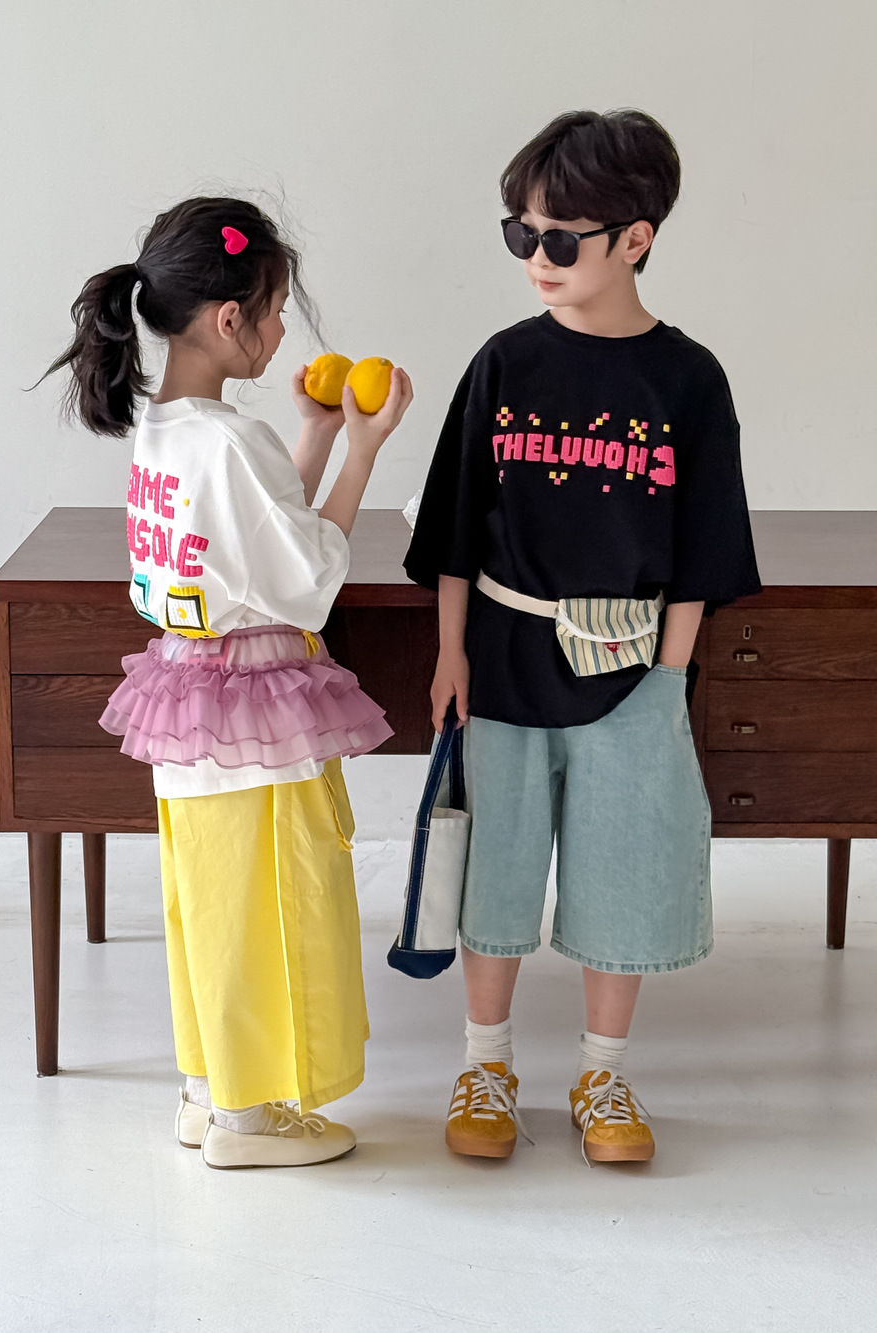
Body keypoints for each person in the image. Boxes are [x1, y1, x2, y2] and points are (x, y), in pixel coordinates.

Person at [404, 110, 760, 1164]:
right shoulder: (504, 363)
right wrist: (451, 652)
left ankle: (603, 1075)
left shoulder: (688, 380)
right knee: (494, 868)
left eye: (560, 238)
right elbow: (455, 526)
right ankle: (486, 1063)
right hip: (505, 663)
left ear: (635, 239)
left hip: (632, 670)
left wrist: (668, 678)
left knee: (626, 872)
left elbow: (705, 544)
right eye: (521, 234)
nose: (538, 258)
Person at [45, 197, 413, 1168]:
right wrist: (365, 450)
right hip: (256, 705)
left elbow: (259, 535)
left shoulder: (166, 430)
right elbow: (306, 578)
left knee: (210, 901)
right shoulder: (228, 443)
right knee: (276, 898)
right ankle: (252, 1122)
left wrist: (315, 434)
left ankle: (210, 1092)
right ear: (228, 318)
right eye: (277, 308)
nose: (285, 329)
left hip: (186, 691)